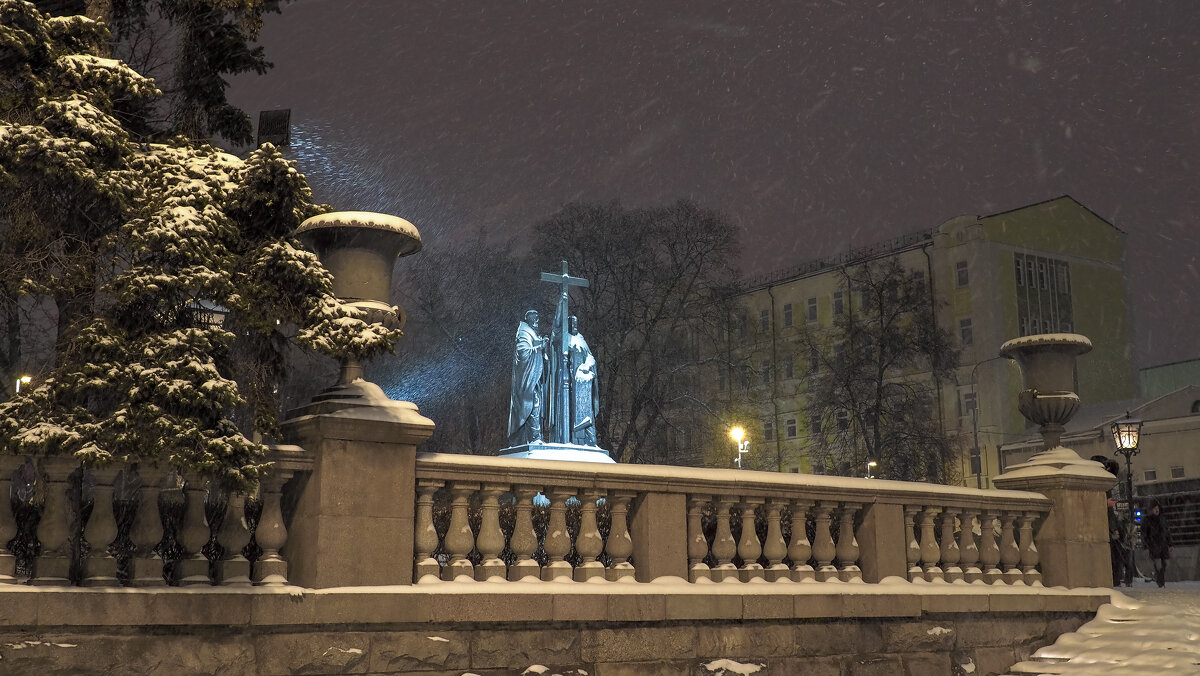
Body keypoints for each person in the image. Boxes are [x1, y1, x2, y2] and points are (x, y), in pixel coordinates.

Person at [507, 310, 548, 446]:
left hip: (533, 380)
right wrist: (539, 347)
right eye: (535, 319)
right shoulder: (524, 332)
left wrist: (543, 349)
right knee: (532, 405)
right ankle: (534, 437)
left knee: (536, 406)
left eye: (538, 318)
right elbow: (523, 353)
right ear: (529, 320)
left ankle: (535, 437)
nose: (537, 321)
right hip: (525, 382)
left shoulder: (532, 333)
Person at [1093, 455, 1129, 587]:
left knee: (1113, 557)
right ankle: (1114, 579)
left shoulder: (1099, 483)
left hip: (1104, 526)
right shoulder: (1102, 485)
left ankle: (1114, 579)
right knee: (1114, 557)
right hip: (1105, 526)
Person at [566, 315, 599, 446]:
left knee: (587, 413)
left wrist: (586, 366)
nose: (573, 325)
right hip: (570, 387)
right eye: (571, 323)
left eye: (575, 323)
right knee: (571, 414)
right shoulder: (565, 339)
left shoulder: (581, 340)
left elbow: (591, 358)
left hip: (583, 385)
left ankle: (590, 440)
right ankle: (572, 439)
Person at [1142, 499, 1173, 587]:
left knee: (1164, 564)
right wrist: (1146, 546)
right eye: (1155, 508)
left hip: (1162, 544)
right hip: (1153, 545)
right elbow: (1144, 534)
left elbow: (1167, 532)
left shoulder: (1162, 519)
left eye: (1157, 508)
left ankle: (1160, 580)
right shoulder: (1147, 520)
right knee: (1157, 564)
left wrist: (1170, 543)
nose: (1157, 510)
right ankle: (1160, 582)